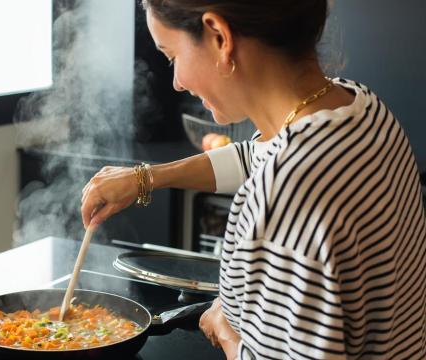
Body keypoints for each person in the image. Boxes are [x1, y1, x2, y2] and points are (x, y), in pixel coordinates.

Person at [80, 0, 426, 359]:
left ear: (219, 37)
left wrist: (227, 332)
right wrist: (146, 178)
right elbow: (255, 155)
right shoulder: (363, 110)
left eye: (172, 57)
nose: (177, 82)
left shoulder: (283, 194)